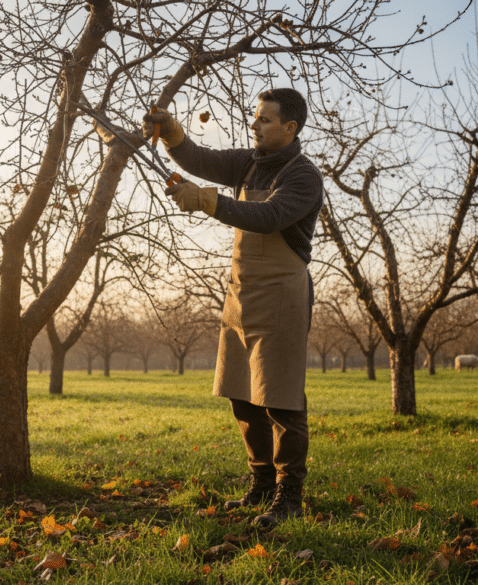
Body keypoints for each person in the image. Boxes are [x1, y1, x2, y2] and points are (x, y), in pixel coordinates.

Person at [144, 88, 324, 526]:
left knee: (280, 401)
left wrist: (207, 200)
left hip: (282, 295)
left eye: (265, 120)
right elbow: (200, 161)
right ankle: (261, 485)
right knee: (243, 397)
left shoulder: (303, 176)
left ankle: (288, 496)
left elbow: (267, 217)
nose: (255, 124)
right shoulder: (247, 161)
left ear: (290, 128)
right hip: (241, 293)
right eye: (255, 116)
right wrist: (172, 134)